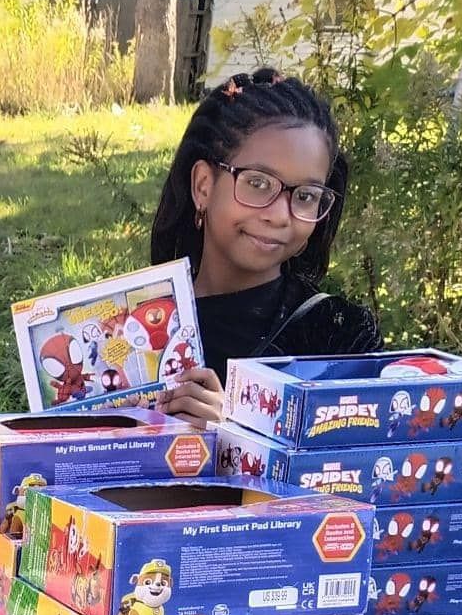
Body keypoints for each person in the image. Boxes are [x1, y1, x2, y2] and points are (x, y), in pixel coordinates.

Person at [149, 69, 379, 428]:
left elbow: (359, 470)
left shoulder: (339, 337)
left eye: (305, 196)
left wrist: (238, 435)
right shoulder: (138, 322)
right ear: (204, 186)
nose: (279, 215)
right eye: (258, 183)